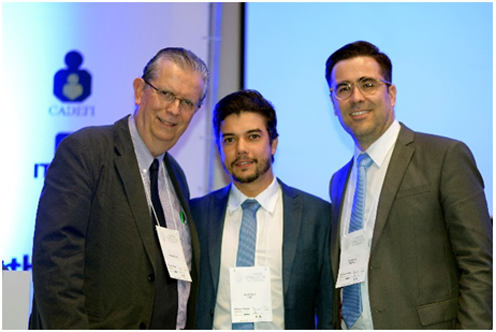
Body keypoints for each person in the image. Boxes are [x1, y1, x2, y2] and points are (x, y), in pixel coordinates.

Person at [30, 47, 208, 329]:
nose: (174, 109)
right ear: (140, 91)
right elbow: (55, 265)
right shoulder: (86, 152)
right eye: (166, 94)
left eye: (187, 102)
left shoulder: (177, 177)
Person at [324, 40, 492, 329]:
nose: (356, 97)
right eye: (344, 88)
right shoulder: (339, 181)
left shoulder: (444, 157)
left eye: (368, 84)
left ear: (391, 92)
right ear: (333, 102)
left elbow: (479, 266)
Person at [191, 89, 333, 329]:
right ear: (219, 148)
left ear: (273, 144)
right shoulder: (196, 214)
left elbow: (328, 311)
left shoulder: (317, 216)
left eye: (253, 136)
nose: (241, 149)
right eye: (229, 139)